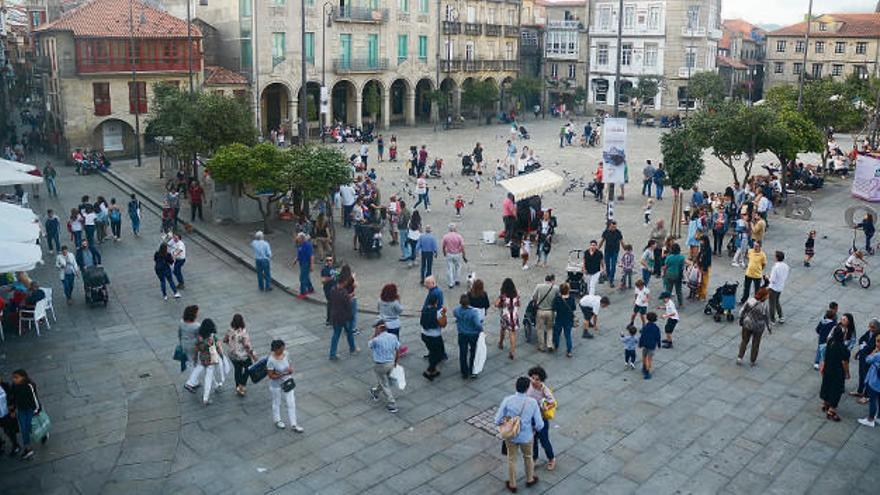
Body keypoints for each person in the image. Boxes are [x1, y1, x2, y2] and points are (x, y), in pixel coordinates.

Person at [494, 377, 543, 492]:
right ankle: (530, 479)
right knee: (528, 457)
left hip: (511, 436)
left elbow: (497, 420)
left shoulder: (507, 400)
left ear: (515, 386)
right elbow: (540, 424)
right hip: (527, 436)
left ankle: (512, 484)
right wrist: (534, 429)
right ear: (527, 388)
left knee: (511, 459)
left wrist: (506, 422)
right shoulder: (532, 402)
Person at [267, 339, 304, 432]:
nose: (283, 351)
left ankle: (294, 424)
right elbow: (271, 375)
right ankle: (277, 420)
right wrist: (283, 374)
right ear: (276, 349)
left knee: (291, 402)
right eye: (281, 349)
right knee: (277, 402)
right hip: (276, 384)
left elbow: (289, 364)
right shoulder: (271, 360)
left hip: (287, 382)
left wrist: (290, 369)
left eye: (284, 349)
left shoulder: (286, 354)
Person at [526, 367, 556, 471]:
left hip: (541, 419)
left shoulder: (544, 389)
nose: (534, 381)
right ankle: (534, 458)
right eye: (532, 378)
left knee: (544, 441)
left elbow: (553, 402)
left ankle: (551, 458)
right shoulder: (528, 386)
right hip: (531, 418)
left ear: (541, 380)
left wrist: (546, 407)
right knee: (533, 440)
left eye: (537, 379)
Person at [10, 370, 43, 460]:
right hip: (21, 411)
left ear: (23, 377)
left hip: (30, 410)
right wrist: (12, 410)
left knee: (32, 426)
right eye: (13, 378)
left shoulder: (29, 385)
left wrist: (37, 409)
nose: (14, 379)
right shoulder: (14, 386)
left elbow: (34, 397)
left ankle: (44, 434)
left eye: (16, 377)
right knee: (24, 429)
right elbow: (12, 397)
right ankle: (27, 448)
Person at [368, 320, 401, 413]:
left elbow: (369, 345)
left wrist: (375, 334)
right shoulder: (393, 337)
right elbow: (398, 349)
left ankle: (392, 404)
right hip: (391, 363)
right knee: (383, 381)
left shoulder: (376, 340)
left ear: (378, 329)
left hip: (380, 365)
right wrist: (396, 362)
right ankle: (375, 392)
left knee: (384, 384)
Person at [820, 327, 851, 422]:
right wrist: (847, 373)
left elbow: (826, 355)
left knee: (827, 385)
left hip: (828, 369)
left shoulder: (830, 342)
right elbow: (844, 362)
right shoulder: (843, 348)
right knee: (836, 390)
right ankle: (831, 411)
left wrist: (823, 365)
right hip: (837, 372)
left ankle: (825, 404)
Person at [223, 314, 257, 397]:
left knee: (237, 370)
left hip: (232, 355)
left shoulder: (229, 330)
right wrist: (253, 355)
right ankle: (242, 385)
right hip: (243, 356)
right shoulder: (243, 333)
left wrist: (231, 344)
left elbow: (225, 340)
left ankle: (238, 387)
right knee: (248, 369)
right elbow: (247, 346)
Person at [737, 287, 771, 366]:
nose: (767, 297)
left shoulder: (750, 300)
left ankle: (740, 357)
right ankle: (752, 360)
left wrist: (741, 320)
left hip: (747, 323)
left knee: (744, 341)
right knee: (756, 343)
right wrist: (769, 328)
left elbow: (742, 311)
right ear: (764, 296)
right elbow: (767, 318)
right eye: (767, 295)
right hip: (758, 327)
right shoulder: (764, 306)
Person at [420, 276, 446, 380]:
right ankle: (430, 371)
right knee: (438, 353)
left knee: (433, 350)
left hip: (424, 334)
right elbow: (443, 324)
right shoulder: (437, 312)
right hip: (434, 335)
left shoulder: (425, 309)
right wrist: (444, 314)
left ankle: (433, 368)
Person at [454, 294, 483, 379]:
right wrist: (481, 330)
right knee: (473, 351)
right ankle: (472, 370)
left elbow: (455, 316)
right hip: (473, 334)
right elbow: (477, 324)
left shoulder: (456, 310)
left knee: (463, 353)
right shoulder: (473, 312)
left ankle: (464, 372)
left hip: (462, 334)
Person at [193, 319, 221, 406]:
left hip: (202, 359)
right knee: (208, 378)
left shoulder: (199, 337)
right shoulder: (211, 337)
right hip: (211, 359)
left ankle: (216, 385)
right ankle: (206, 398)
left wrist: (195, 359)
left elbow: (196, 349)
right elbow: (218, 346)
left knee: (209, 373)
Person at [328, 276, 357, 360]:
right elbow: (348, 305)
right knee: (349, 333)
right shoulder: (344, 292)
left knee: (336, 335)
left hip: (335, 316)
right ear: (343, 282)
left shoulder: (332, 290)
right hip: (345, 317)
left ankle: (332, 354)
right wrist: (350, 297)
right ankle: (352, 349)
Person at [853, 319, 880, 403]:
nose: (870, 329)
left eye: (873, 327)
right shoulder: (869, 332)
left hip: (870, 359)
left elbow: (871, 347)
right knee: (861, 374)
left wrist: (864, 346)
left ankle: (867, 396)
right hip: (863, 357)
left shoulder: (878, 336)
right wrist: (860, 351)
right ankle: (860, 391)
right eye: (870, 326)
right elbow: (861, 339)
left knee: (868, 378)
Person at [531, 274, 559, 353]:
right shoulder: (555, 288)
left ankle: (541, 346)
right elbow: (558, 297)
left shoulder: (539, 286)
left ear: (545, 280)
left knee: (540, 329)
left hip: (540, 311)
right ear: (551, 280)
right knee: (550, 328)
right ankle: (549, 344)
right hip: (550, 311)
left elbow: (534, 297)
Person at [857, 333, 880, 427]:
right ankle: (878, 418)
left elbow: (868, 360)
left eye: (878, 341)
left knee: (873, 401)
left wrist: (874, 351)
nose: (876, 343)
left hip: (874, 381)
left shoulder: (877, 355)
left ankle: (870, 419)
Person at [496, 278, 520, 360]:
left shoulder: (503, 295)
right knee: (512, 333)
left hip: (505, 315)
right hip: (514, 315)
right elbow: (519, 303)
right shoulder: (516, 293)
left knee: (503, 329)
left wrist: (500, 305)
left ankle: (501, 343)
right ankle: (512, 351)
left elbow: (496, 304)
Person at [551, 283, 576, 357]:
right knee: (568, 335)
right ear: (568, 290)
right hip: (568, 320)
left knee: (557, 333)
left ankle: (556, 345)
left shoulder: (557, 299)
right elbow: (573, 308)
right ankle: (569, 351)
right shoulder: (571, 298)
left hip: (559, 319)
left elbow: (554, 308)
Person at [767, 251, 789, 324]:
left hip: (773, 288)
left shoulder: (775, 267)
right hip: (780, 286)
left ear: (777, 258)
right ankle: (781, 316)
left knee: (771, 304)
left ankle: (772, 319)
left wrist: (768, 277)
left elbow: (772, 280)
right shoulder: (786, 266)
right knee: (777, 301)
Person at [442, 224, 467, 288]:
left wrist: (444, 252)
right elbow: (462, 246)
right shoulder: (459, 236)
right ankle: (457, 280)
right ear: (455, 229)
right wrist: (464, 255)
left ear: (449, 229)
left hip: (449, 254)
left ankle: (451, 283)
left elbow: (443, 246)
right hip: (457, 254)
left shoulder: (446, 236)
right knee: (458, 267)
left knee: (450, 268)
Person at [639, 313, 662, 379]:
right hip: (652, 345)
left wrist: (640, 344)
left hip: (645, 344)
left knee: (644, 356)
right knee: (649, 359)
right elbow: (658, 337)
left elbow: (642, 336)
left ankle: (644, 367)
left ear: (647, 318)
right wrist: (659, 344)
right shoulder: (656, 328)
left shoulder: (645, 327)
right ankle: (647, 372)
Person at [662, 243, 685, 307]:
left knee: (668, 290)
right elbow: (682, 267)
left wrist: (663, 274)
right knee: (679, 290)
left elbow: (665, 267)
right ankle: (680, 303)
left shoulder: (669, 257)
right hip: (678, 275)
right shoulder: (681, 257)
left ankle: (667, 303)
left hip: (669, 275)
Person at [293, 233, 315, 298]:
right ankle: (310, 289)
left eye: (298, 238)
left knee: (302, 278)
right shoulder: (300, 244)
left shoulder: (308, 245)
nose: (297, 239)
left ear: (302, 238)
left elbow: (311, 256)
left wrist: (312, 265)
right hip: (302, 263)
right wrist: (296, 259)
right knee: (306, 277)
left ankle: (303, 292)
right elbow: (299, 253)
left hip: (306, 263)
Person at [320, 256, 337, 325]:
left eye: (330, 260)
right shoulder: (324, 269)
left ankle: (332, 319)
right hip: (328, 289)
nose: (329, 262)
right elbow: (323, 280)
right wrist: (331, 278)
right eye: (327, 260)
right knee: (330, 304)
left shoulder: (333, 268)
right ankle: (329, 319)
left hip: (334, 288)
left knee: (333, 304)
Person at [696, 235, 712, 300]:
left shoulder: (708, 248)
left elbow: (708, 259)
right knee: (699, 280)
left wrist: (704, 268)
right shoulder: (702, 246)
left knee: (704, 281)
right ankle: (698, 293)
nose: (701, 242)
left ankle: (703, 295)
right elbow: (699, 254)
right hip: (700, 265)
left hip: (705, 266)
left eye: (702, 241)